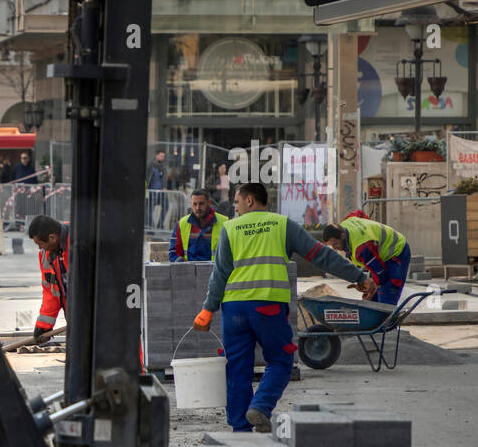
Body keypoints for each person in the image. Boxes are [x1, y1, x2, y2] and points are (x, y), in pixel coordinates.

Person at [194, 182, 374, 433]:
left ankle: (240, 429)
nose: (234, 208)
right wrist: (358, 276)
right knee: (280, 361)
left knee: (237, 368)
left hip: (234, 310)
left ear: (250, 201)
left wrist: (208, 309)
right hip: (267, 307)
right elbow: (321, 255)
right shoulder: (282, 225)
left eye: (236, 202)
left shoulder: (229, 229)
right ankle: (261, 405)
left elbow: (220, 273)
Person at [322, 216, 410, 305]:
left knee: (387, 292)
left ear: (342, 235)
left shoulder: (362, 248)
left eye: (335, 244)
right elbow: (359, 213)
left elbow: (381, 274)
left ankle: (387, 317)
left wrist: (370, 291)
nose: (334, 248)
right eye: (331, 246)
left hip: (397, 251)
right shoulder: (345, 224)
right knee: (374, 298)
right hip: (379, 254)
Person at [27, 215, 69, 339]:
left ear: (52, 238)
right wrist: (43, 325)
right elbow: (51, 292)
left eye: (40, 244)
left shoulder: (80, 244)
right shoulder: (45, 255)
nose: (40, 248)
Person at [169, 189, 226, 262]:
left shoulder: (225, 223)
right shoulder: (181, 224)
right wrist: (187, 268)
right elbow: (173, 253)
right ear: (190, 204)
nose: (197, 208)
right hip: (189, 271)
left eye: (201, 204)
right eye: (194, 204)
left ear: (209, 203)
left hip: (215, 271)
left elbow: (231, 252)